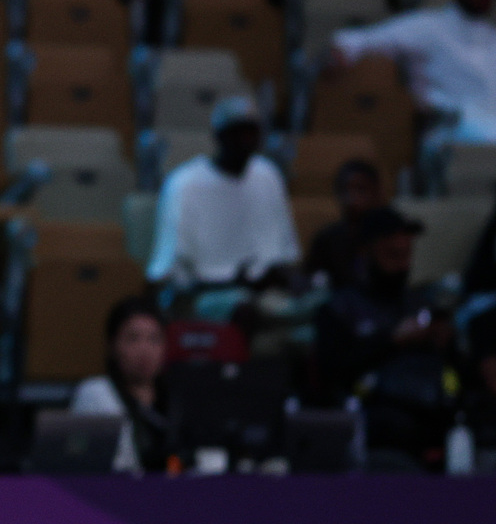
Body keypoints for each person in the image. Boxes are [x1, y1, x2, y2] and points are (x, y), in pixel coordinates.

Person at [313, 206, 458, 463]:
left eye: (407, 255)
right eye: (393, 255)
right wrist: (392, 341)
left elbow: (457, 369)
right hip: (374, 418)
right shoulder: (340, 308)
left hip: (434, 411)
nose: (403, 265)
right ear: (366, 252)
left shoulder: (421, 304)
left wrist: (445, 342)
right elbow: (329, 373)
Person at [333, 0, 496, 144]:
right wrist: (342, 50)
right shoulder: (429, 26)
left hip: (488, 128)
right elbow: (357, 40)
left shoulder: (492, 36)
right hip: (448, 131)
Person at [146, 95, 300, 285]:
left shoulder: (268, 174)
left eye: (252, 132)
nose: (246, 141)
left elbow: (283, 252)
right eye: (238, 133)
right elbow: (174, 266)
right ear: (218, 136)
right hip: (207, 290)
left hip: (265, 287)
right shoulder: (184, 183)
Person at [68, 297, 171, 474]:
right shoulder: (96, 393)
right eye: (133, 339)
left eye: (154, 339)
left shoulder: (175, 397)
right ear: (112, 345)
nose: (144, 349)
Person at [303, 158, 385, 290]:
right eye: (345, 190)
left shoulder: (390, 235)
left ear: (376, 192)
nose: (352, 199)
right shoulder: (326, 239)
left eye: (361, 189)